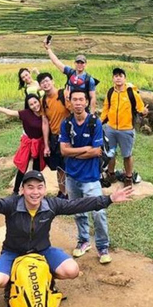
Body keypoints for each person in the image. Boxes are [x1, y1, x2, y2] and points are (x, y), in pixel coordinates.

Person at [0, 170, 134, 292]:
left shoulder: (52, 204)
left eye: (39, 187)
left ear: (45, 189)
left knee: (72, 270)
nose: (35, 192)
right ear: (22, 190)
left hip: (42, 251)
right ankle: (16, 280)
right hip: (13, 252)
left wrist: (108, 199)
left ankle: (44, 276)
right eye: (30, 187)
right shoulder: (12, 204)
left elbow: (78, 204)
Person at [60, 90, 111, 264]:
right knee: (78, 211)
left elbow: (97, 151)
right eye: (74, 99)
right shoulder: (66, 123)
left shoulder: (94, 122)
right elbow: (63, 150)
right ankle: (83, 241)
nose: (78, 103)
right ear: (70, 103)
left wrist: (73, 153)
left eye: (81, 99)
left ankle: (103, 246)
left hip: (91, 177)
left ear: (87, 102)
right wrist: (85, 150)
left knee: (99, 212)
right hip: (72, 176)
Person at [0, 94, 46, 193]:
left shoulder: (45, 113)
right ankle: (16, 191)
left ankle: (35, 190)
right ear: (28, 106)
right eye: (31, 104)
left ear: (39, 101)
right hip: (28, 144)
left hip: (39, 144)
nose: (34, 106)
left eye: (35, 102)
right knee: (22, 167)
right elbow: (8, 112)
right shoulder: (26, 114)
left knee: (37, 168)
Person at [100, 68, 149, 188]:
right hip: (110, 128)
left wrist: (144, 112)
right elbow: (106, 109)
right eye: (115, 76)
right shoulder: (110, 92)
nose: (118, 78)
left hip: (126, 129)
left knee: (127, 155)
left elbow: (140, 108)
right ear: (113, 78)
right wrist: (99, 122)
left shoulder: (131, 93)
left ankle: (128, 177)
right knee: (110, 153)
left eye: (120, 75)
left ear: (124, 78)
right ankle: (111, 174)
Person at [37, 72, 70, 199]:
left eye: (47, 81)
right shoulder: (43, 100)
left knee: (72, 165)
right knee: (60, 167)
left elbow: (73, 110)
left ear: (52, 81)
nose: (45, 84)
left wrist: (68, 98)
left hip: (69, 137)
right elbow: (45, 122)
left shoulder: (63, 94)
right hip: (55, 137)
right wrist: (46, 145)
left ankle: (74, 192)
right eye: (42, 83)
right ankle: (62, 192)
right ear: (40, 86)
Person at [43, 41, 97, 114]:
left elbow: (92, 98)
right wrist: (48, 49)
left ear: (85, 64)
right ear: (74, 63)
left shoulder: (89, 79)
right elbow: (56, 62)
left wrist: (92, 114)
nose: (80, 65)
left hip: (82, 108)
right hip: (69, 107)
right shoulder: (70, 72)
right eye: (78, 62)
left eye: (82, 63)